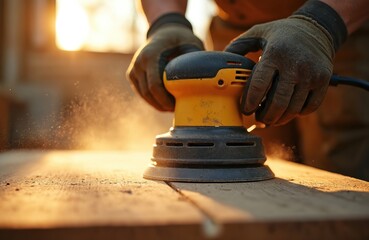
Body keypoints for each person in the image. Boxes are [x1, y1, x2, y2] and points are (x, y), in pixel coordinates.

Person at [127, 0, 369, 181]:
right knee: (271, 155)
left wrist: (323, 24)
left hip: (337, 24)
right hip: (238, 34)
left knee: (340, 161)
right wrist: (166, 21)